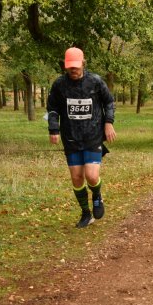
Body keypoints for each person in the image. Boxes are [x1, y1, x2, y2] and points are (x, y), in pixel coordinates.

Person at [47, 47, 116, 228]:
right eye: (70, 68)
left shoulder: (95, 82)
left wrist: (109, 122)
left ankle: (97, 196)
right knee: (77, 178)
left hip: (93, 136)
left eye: (76, 67)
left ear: (83, 64)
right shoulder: (59, 85)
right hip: (71, 138)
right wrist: (53, 129)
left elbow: (109, 102)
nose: (73, 71)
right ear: (65, 66)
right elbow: (52, 108)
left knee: (92, 176)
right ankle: (86, 214)